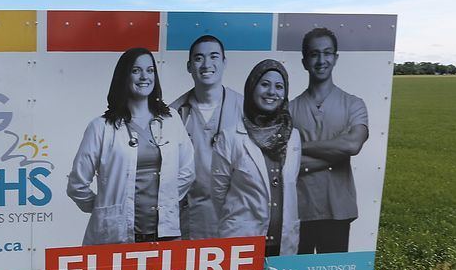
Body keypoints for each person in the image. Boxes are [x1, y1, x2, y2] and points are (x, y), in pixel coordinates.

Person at [67, 47, 194, 244]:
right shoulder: (101, 127)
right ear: (124, 76)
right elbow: (77, 185)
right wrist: (107, 208)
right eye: (136, 71)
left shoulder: (171, 120)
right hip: (115, 236)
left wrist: (165, 199)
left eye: (150, 70)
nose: (145, 76)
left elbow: (187, 171)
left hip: (166, 234)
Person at [289, 27, 369, 254]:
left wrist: (300, 147)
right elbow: (287, 162)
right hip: (299, 212)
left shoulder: (353, 104)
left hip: (338, 211)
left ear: (335, 58)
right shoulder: (289, 109)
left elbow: (353, 145)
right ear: (305, 61)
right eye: (314, 54)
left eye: (327, 53)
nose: (321, 60)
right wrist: (336, 156)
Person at [212, 59, 301, 256]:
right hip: (241, 240)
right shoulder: (231, 137)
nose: (272, 92)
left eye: (279, 86)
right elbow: (218, 194)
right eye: (265, 84)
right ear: (252, 88)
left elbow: (291, 183)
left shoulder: (293, 136)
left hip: (283, 242)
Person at [169, 35, 243, 239]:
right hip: (191, 222)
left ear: (224, 62)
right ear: (189, 66)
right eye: (199, 58)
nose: (206, 64)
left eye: (213, 57)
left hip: (236, 219)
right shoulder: (173, 114)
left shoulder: (245, 109)